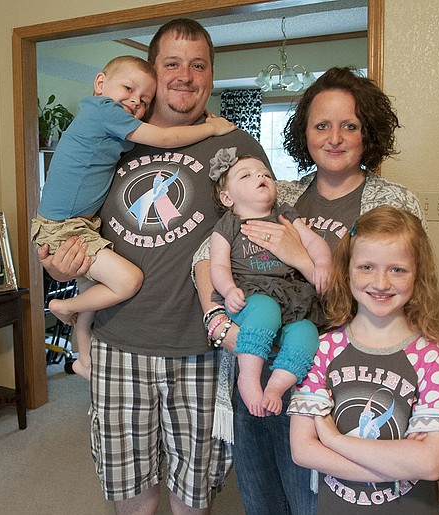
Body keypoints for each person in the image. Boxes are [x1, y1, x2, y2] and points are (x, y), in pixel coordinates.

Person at [38, 19, 268, 514]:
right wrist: (59, 267)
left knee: (194, 495)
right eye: (171, 64)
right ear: (152, 71)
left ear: (211, 73)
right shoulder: (114, 138)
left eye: (198, 64)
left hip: (202, 348)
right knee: (131, 494)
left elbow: (260, 240)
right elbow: (74, 227)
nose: (185, 75)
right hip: (119, 345)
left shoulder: (237, 145)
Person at [193, 66, 427, 514]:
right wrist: (217, 319)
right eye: (321, 125)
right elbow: (204, 255)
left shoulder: (394, 202)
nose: (334, 137)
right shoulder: (279, 192)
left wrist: (301, 256)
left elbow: (392, 294)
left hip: (327, 384)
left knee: (312, 503)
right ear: (304, 132)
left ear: (368, 133)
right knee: (261, 499)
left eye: (349, 125)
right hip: (254, 365)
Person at [31, 54, 237, 380]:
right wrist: (211, 127)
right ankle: (65, 308)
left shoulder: (111, 127)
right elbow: (165, 138)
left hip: (80, 224)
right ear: (100, 84)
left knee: (93, 296)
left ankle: (83, 359)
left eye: (144, 100)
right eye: (127, 88)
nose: (134, 101)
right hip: (65, 226)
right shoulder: (105, 111)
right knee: (127, 281)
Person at [288, 205, 439, 513]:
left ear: (418, 275)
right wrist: (400, 461)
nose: (381, 283)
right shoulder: (321, 350)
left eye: (397, 269)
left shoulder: (434, 359)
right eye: (366, 267)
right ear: (346, 270)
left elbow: (429, 464)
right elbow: (303, 451)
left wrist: (333, 440)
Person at [208, 147, 330, 422]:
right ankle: (249, 380)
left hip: (291, 296)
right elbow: (217, 265)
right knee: (265, 310)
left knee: (306, 331)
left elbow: (313, 242)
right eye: (246, 175)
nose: (260, 177)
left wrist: (321, 264)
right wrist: (228, 290)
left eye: (265, 173)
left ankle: (276, 386)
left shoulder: (285, 215)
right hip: (250, 296)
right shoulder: (229, 225)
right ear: (227, 197)